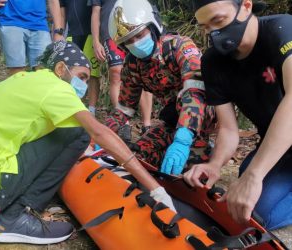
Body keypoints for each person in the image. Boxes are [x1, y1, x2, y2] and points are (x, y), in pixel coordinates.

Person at [0, 41, 175, 245]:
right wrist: (154, 187)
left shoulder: (26, 80)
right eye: (82, 76)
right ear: (61, 69)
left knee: (69, 133)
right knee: (79, 133)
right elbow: (98, 132)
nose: (83, 85)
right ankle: (15, 217)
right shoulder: (56, 88)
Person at [184, 0, 292, 230]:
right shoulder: (213, 62)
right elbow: (228, 129)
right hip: (280, 151)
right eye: (205, 26)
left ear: (245, 6)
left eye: (218, 20)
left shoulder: (282, 29)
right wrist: (215, 164)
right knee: (244, 211)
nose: (213, 32)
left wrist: (255, 174)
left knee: (257, 206)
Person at [107, 0, 215, 174]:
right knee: (138, 155)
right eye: (128, 41)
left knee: (191, 175)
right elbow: (124, 108)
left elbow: (196, 92)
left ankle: (201, 145)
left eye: (139, 35)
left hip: (201, 114)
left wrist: (183, 139)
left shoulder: (179, 46)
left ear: (153, 27)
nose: (135, 43)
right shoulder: (132, 66)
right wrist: (102, 133)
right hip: (172, 118)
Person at [90, 0, 153, 132]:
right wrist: (96, 41)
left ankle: (147, 124)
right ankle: (125, 124)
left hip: (136, 27)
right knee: (116, 72)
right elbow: (96, 12)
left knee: (143, 70)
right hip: (111, 32)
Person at [0, 0, 64, 76]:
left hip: (40, 24)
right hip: (11, 21)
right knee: (17, 72)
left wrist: (58, 31)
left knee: (44, 71)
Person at [59, 0, 102, 116]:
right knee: (69, 73)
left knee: (93, 74)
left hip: (91, 34)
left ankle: (91, 109)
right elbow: (62, 15)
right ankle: (74, 105)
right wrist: (59, 35)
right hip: (71, 35)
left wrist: (97, 39)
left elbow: (97, 10)